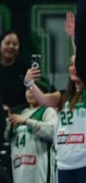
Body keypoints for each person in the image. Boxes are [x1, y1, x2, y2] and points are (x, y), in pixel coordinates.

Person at [25, 40, 86, 183]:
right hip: (64, 162)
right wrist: (30, 83)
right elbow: (44, 100)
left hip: (83, 161)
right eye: (70, 64)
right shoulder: (64, 96)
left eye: (77, 64)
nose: (73, 68)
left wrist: (74, 39)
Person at [5, 80, 57, 183]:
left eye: (33, 89)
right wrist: (8, 125)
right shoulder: (19, 113)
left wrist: (27, 121)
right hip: (19, 170)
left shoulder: (47, 111)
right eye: (28, 89)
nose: (30, 92)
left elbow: (53, 132)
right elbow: (7, 137)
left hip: (40, 171)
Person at [0, 32, 28, 150]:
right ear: (0, 45)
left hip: (19, 120)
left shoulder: (25, 70)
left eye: (15, 44)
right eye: (7, 43)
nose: (11, 47)